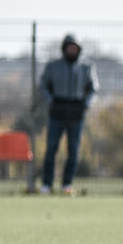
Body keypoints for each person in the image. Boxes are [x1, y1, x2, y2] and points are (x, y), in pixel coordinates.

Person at [38, 33, 99, 195]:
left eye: (75, 47)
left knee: (73, 149)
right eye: (69, 47)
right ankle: (46, 183)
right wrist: (51, 100)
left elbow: (94, 89)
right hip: (57, 111)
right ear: (64, 48)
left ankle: (67, 184)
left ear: (79, 49)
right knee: (51, 148)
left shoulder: (87, 67)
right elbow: (43, 85)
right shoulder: (53, 67)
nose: (72, 50)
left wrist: (86, 104)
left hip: (76, 113)